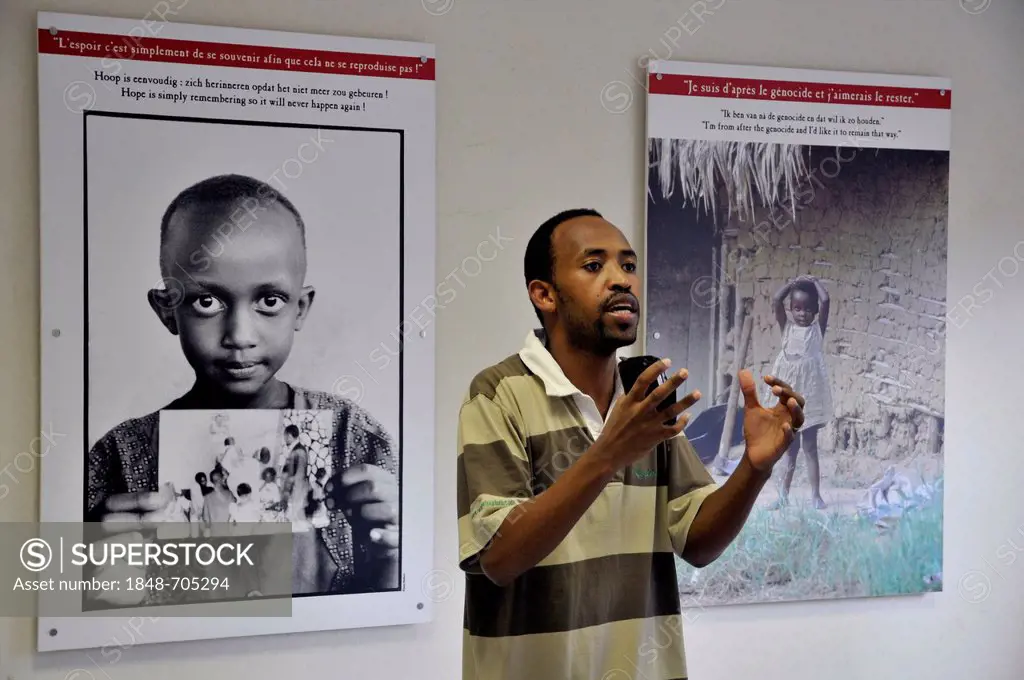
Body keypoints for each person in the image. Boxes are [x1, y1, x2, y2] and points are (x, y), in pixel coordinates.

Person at [456, 209, 806, 680]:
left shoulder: (645, 400)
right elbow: (499, 557)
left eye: (629, 265)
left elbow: (698, 543)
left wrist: (754, 469)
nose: (620, 280)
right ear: (544, 294)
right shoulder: (497, 394)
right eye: (594, 265)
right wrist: (608, 454)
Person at [85, 173, 399, 596]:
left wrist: (393, 553)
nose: (239, 335)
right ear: (166, 310)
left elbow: (391, 614)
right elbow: (72, 613)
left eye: (269, 301)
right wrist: (91, 571)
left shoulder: (353, 437)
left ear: (300, 308)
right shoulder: (119, 458)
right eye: (206, 301)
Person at [766, 274, 833, 510]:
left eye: (807, 309)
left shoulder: (817, 331)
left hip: (810, 397)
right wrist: (792, 284)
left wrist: (814, 282)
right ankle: (783, 496)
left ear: (814, 311)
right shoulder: (787, 329)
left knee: (810, 446)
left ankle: (815, 495)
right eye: (797, 308)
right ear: (791, 310)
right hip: (789, 396)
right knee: (790, 449)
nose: (802, 313)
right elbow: (776, 300)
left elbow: (826, 301)